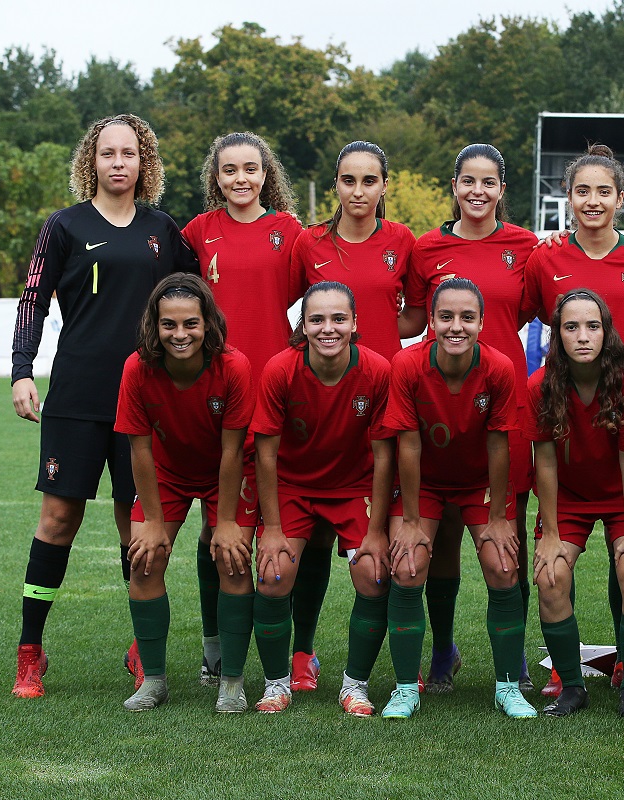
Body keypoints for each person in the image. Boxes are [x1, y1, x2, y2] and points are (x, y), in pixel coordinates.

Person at [9, 113, 198, 699]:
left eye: (131, 154)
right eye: (108, 154)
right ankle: (31, 651)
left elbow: (198, 303)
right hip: (78, 396)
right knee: (59, 521)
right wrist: (22, 371)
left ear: (146, 164)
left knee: (135, 527)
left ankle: (143, 649)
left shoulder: (163, 230)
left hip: (146, 402)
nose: (119, 164)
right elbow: (33, 301)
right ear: (90, 160)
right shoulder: (63, 227)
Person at [522, 144, 624, 697]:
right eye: (581, 190)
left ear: (620, 199)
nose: (592, 201)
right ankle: (569, 676)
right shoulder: (546, 260)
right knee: (552, 572)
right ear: (568, 197)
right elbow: (507, 312)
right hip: (571, 434)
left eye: (603, 191)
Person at [181, 132, 328, 693]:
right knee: (215, 529)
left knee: (306, 530)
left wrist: (293, 349)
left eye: (250, 169)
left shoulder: (289, 233)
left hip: (281, 396)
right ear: (215, 177)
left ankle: (302, 651)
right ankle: (215, 645)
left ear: (267, 174)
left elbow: (321, 299)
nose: (240, 179)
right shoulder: (199, 232)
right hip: (217, 396)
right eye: (229, 171)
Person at [400, 144, 538, 693]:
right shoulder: (426, 248)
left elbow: (524, 311)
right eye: (468, 182)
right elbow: (410, 316)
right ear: (453, 187)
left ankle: (517, 658)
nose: (478, 191)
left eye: (489, 182)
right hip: (439, 408)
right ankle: (442, 651)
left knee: (509, 534)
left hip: (505, 406)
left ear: (503, 190)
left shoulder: (526, 246)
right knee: (446, 535)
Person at [381, 278, 536, 719]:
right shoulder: (407, 365)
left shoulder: (500, 367)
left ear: (482, 322)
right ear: (430, 321)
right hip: (424, 483)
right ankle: (406, 688)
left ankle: (508, 686)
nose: (456, 326)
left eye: (467, 317)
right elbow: (407, 446)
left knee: (504, 565)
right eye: (445, 317)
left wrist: (501, 515)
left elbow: (499, 444)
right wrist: (410, 519)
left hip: (477, 485)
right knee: (408, 566)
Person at [249, 281, 395, 716]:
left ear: (354, 323)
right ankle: (276, 684)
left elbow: (384, 455)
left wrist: (375, 530)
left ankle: (355, 685)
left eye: (338, 318)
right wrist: (271, 530)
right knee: (273, 575)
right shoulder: (281, 370)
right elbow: (265, 453)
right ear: (303, 325)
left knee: (374, 574)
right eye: (317, 319)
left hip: (352, 487)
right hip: (293, 487)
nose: (327, 328)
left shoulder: (376, 370)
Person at [114, 274, 252, 711]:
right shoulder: (137, 368)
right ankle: (153, 679)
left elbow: (233, 452)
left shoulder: (234, 366)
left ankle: (231, 679)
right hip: (165, 473)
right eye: (168, 325)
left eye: (190, 323)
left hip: (222, 473)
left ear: (208, 323)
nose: (180, 334)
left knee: (232, 559)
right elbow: (139, 449)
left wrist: (226, 522)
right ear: (154, 326)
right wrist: (153, 522)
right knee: (144, 560)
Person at [528, 289, 624, 718]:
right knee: (550, 576)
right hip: (569, 495)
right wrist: (549, 534)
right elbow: (544, 462)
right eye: (571, 327)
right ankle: (572, 687)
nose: (582, 336)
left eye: (592, 326)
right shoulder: (541, 385)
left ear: (607, 332)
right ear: (557, 335)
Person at [291, 141, 416, 362]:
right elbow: (280, 305)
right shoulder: (309, 242)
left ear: (384, 185)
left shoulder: (402, 239)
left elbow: (417, 317)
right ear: (336, 184)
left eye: (369, 181)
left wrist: (382, 320)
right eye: (348, 181)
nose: (358, 192)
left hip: (387, 377)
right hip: (325, 376)